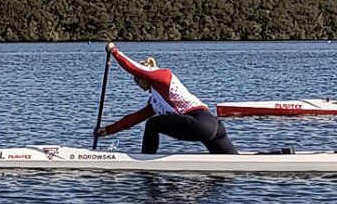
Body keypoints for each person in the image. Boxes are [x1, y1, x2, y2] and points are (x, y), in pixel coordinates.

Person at [94, 42, 238, 154]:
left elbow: (134, 68)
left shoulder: (163, 77)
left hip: (201, 123)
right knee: (232, 163)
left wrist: (114, 52)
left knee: (153, 124)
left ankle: (145, 162)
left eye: (137, 80)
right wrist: (108, 130)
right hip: (213, 127)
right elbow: (135, 118)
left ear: (145, 76)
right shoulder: (156, 101)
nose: (136, 84)